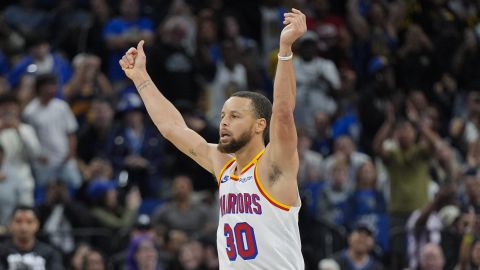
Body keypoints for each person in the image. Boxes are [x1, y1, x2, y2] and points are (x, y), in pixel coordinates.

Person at [119, 7, 307, 269]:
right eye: (222, 116)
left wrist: (285, 50)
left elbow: (284, 113)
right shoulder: (223, 164)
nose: (224, 122)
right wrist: (141, 78)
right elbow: (172, 127)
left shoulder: (274, 166)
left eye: (235, 116)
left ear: (259, 125)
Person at [0, 205, 63, 270]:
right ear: (10, 224)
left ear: (37, 224)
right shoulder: (2, 251)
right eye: (18, 221)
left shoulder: (50, 253)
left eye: (29, 222)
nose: (23, 227)